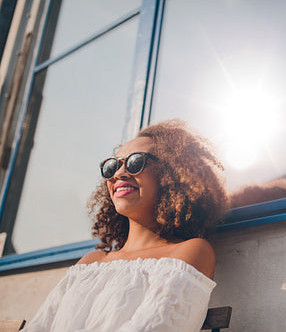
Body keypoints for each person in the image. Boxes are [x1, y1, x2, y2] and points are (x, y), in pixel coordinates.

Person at [22, 119, 228, 331]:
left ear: (172, 173)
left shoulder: (189, 252)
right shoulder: (90, 263)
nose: (119, 174)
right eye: (112, 166)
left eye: (135, 162)